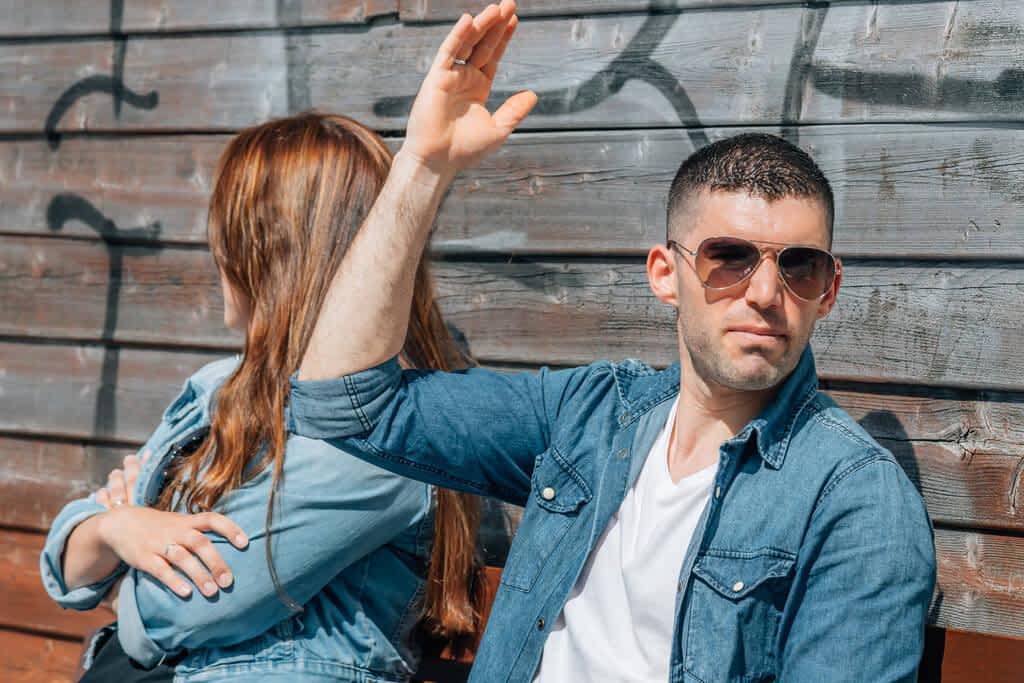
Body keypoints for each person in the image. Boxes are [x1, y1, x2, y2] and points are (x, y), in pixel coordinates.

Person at [288, 2, 937, 681]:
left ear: (828, 290)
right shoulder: (591, 416)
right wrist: (422, 165)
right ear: (666, 273)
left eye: (798, 264)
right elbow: (343, 403)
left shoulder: (857, 503)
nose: (767, 293)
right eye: (730, 256)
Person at [40, 111, 484, 682]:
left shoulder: (383, 436)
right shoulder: (215, 388)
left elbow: (172, 613)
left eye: (227, 232)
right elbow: (69, 571)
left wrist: (128, 539)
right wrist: (116, 530)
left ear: (267, 253)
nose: (216, 255)